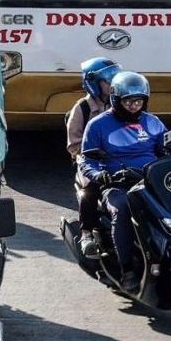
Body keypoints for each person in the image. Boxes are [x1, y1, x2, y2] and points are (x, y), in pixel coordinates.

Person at [80, 71, 168, 293]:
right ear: (116, 100)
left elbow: (167, 149)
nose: (133, 106)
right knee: (122, 210)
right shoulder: (98, 125)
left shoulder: (154, 123)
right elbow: (86, 160)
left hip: (151, 181)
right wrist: (100, 175)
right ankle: (127, 268)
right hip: (118, 184)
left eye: (138, 101)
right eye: (128, 101)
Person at [66, 57, 122, 258]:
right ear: (94, 83)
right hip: (91, 161)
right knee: (91, 188)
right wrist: (93, 153)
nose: (112, 85)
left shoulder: (123, 104)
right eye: (108, 81)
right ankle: (87, 233)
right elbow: (73, 145)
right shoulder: (82, 108)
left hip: (121, 158)